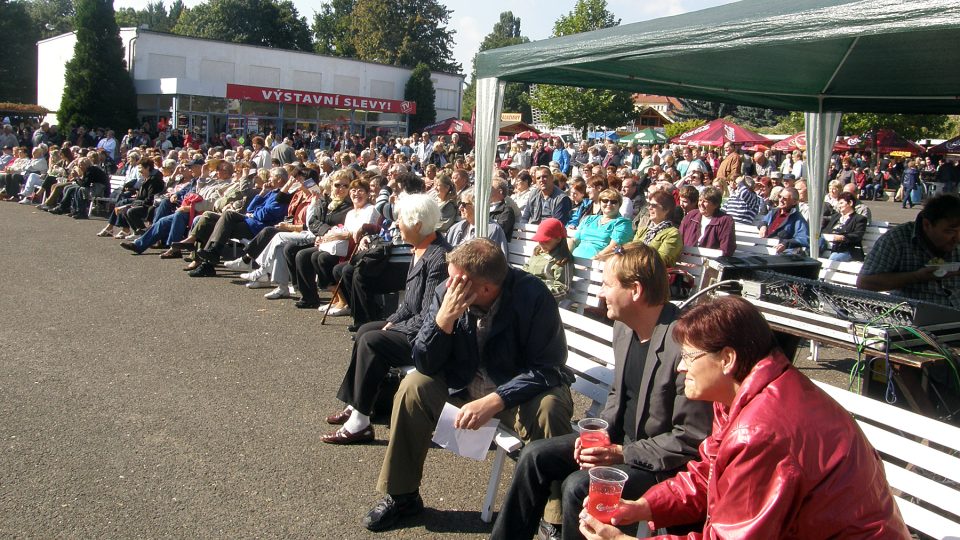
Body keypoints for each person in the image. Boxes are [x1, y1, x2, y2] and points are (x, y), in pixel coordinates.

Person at [578, 296, 909, 540]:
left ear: (727, 359)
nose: (680, 367)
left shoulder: (762, 430)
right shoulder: (745, 393)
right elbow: (710, 473)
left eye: (689, 357)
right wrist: (644, 507)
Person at [492, 242, 712, 540]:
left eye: (607, 285)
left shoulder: (682, 344)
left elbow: (689, 439)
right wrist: (597, 436)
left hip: (662, 465)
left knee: (577, 486)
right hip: (622, 444)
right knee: (533, 455)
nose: (600, 293)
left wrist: (620, 452)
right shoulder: (624, 327)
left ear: (635, 290)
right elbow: (617, 396)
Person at [359, 238, 575, 532]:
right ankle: (402, 495)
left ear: (485, 288)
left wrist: (497, 399)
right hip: (463, 387)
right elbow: (424, 362)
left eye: (455, 281)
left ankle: (556, 517)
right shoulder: (447, 294)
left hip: (517, 398)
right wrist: (442, 322)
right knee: (413, 387)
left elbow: (548, 368)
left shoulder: (533, 296)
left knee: (551, 406)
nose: (448, 286)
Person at [858, 194, 960, 308]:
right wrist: (916, 276)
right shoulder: (897, 239)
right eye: (950, 232)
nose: (957, 238)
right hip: (915, 315)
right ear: (927, 225)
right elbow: (865, 283)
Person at [570, 188, 633, 260]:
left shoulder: (622, 223)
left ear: (619, 205)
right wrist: (567, 256)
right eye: (605, 201)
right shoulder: (589, 219)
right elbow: (574, 241)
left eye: (614, 202)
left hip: (597, 264)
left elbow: (614, 247)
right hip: (574, 260)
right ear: (600, 203)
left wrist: (592, 260)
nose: (609, 204)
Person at [522, 218, 573, 301]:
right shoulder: (538, 251)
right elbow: (526, 268)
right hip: (527, 291)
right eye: (539, 241)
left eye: (546, 241)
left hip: (543, 299)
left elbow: (563, 289)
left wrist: (540, 295)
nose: (541, 244)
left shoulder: (562, 260)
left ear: (558, 239)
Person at [678, 186, 735, 256]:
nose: (701, 204)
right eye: (700, 200)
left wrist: (702, 262)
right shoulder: (691, 215)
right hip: (686, 260)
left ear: (716, 204)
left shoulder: (725, 220)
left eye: (705, 201)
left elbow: (726, 249)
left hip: (709, 263)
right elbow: (679, 239)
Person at [633, 191, 683, 267]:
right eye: (649, 205)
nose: (649, 208)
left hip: (653, 275)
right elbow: (631, 250)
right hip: (634, 268)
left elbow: (660, 261)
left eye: (654, 205)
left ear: (666, 210)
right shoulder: (643, 230)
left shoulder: (673, 234)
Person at [758, 187, 809, 255]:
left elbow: (804, 238)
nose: (780, 200)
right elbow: (763, 221)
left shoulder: (797, 218)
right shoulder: (774, 212)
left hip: (779, 253)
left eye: (785, 198)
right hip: (763, 248)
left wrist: (786, 243)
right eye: (779, 196)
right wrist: (763, 226)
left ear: (794, 202)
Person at [821, 191, 868, 262]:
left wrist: (843, 237)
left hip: (847, 250)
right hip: (830, 247)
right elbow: (826, 230)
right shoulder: (836, 217)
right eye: (838, 203)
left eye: (841, 203)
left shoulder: (859, 219)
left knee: (834, 258)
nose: (839, 206)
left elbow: (857, 235)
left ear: (850, 203)